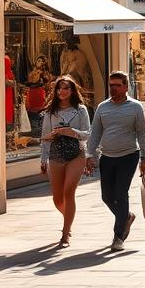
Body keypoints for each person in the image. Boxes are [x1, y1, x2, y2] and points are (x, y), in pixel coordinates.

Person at [85, 71, 145, 251]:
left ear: (126, 86)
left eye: (117, 85)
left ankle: (118, 236)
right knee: (107, 196)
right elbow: (95, 132)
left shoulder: (135, 107)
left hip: (128, 156)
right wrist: (89, 155)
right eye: (111, 85)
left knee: (120, 194)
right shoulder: (102, 107)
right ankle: (126, 217)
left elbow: (142, 133)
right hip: (107, 157)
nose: (113, 88)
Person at [39, 75, 91, 247]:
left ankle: (65, 231)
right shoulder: (50, 112)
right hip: (55, 154)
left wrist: (72, 131)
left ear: (72, 90)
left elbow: (88, 134)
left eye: (66, 88)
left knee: (69, 192)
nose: (62, 91)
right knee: (57, 198)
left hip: (77, 153)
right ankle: (69, 216)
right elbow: (44, 137)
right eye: (59, 88)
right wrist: (43, 158)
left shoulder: (80, 109)